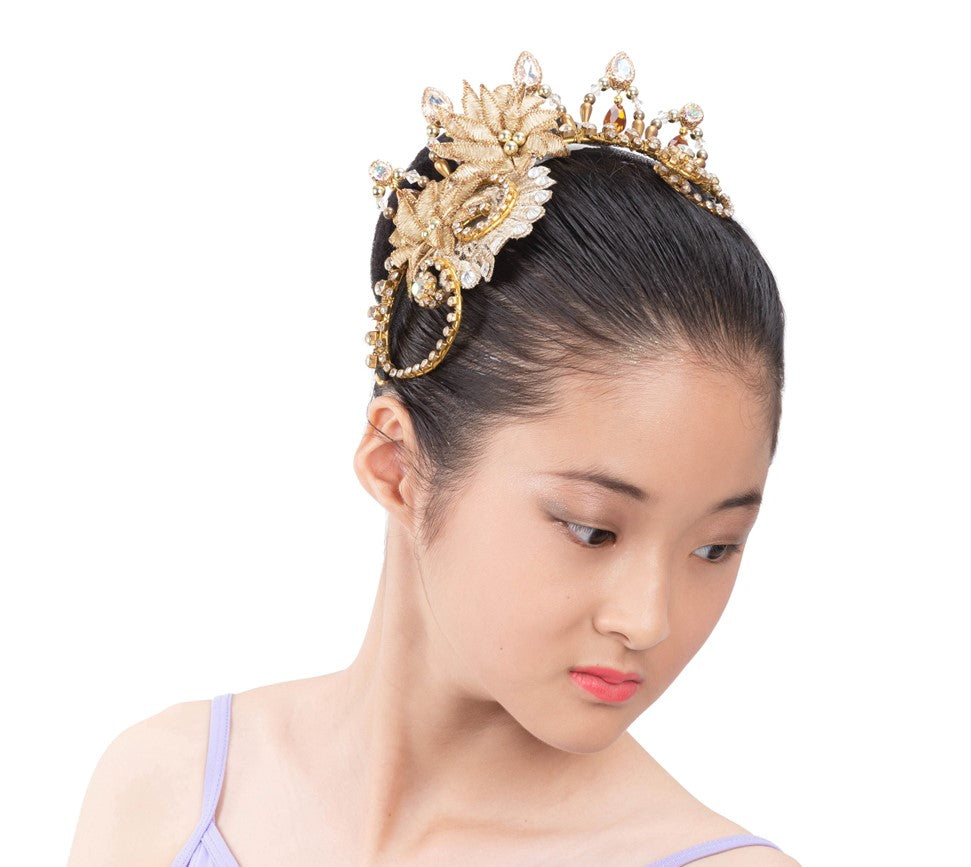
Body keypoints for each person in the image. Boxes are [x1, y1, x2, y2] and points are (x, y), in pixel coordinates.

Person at [68, 51, 800, 866]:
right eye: (593, 529)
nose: (648, 618)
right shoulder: (169, 791)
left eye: (715, 547)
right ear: (396, 465)